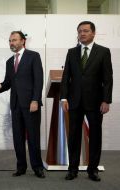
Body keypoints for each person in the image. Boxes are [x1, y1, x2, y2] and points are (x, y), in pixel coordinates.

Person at [60, 21, 113, 181]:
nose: (82, 33)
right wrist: (63, 98)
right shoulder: (72, 52)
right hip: (74, 101)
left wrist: (106, 100)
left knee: (95, 136)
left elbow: (108, 79)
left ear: (93, 33)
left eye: (86, 31)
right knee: (74, 136)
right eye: (80, 31)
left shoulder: (103, 52)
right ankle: (73, 169)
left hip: (96, 102)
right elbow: (66, 77)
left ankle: (93, 170)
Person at [0, 31, 45, 178]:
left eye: (14, 40)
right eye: (10, 41)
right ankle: (21, 167)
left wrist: (35, 99)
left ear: (23, 41)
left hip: (31, 104)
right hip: (15, 105)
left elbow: (38, 80)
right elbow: (9, 82)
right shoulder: (10, 61)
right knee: (18, 137)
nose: (11, 43)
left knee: (33, 137)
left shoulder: (33, 56)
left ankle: (37, 167)